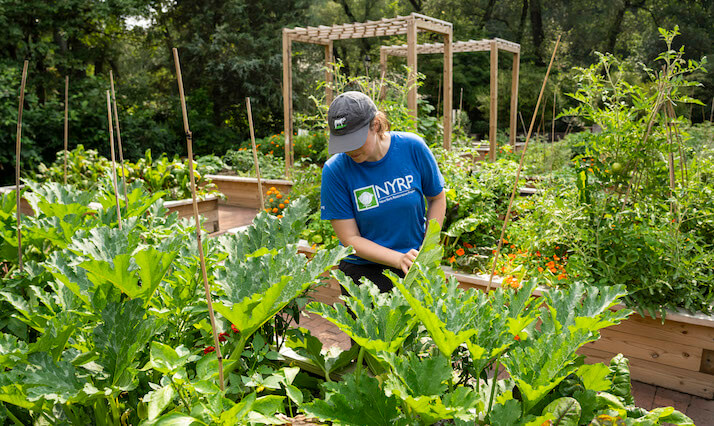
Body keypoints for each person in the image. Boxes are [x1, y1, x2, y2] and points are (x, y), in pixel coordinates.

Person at [320, 91, 446, 293]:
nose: (350, 151)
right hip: (362, 273)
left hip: (414, 264)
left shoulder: (412, 147)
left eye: (354, 140)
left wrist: (427, 247)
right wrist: (398, 259)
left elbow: (437, 198)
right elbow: (350, 238)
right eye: (343, 143)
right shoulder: (335, 170)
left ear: (376, 125)